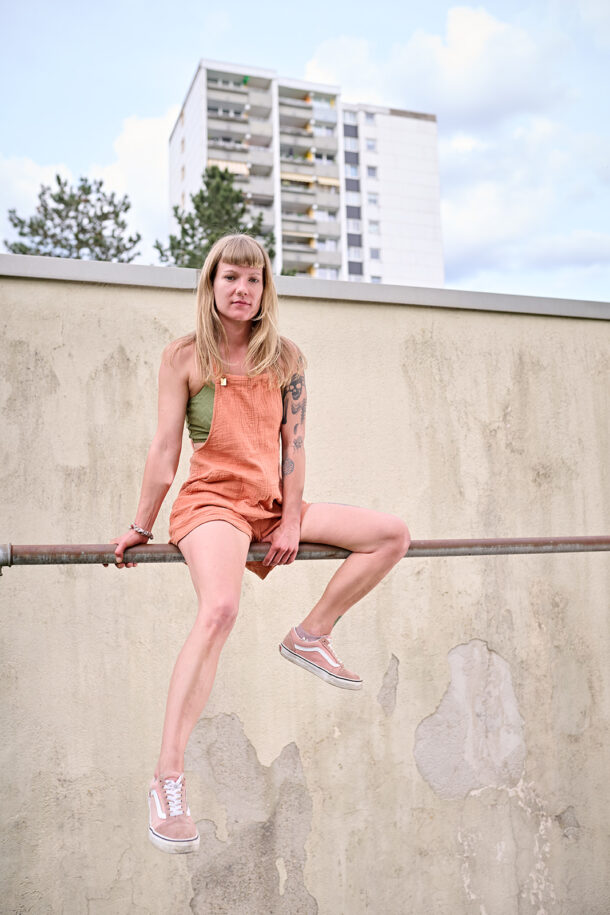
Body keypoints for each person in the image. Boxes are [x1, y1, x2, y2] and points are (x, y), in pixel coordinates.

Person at [110, 233, 410, 854]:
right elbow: (165, 452)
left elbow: (293, 449)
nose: (242, 290)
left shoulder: (287, 359)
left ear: (265, 289)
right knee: (219, 609)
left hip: (271, 507)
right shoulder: (184, 358)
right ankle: (167, 779)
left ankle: (311, 633)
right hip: (212, 504)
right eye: (230, 278)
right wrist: (141, 524)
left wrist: (294, 519)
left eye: (253, 279)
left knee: (390, 535)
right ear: (211, 285)